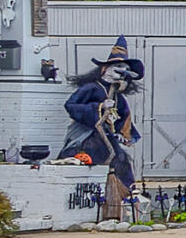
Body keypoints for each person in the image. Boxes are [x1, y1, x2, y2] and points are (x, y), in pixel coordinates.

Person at [61, 44, 143, 219]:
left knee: (120, 158)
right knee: (88, 156)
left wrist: (122, 133)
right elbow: (71, 105)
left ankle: (126, 195)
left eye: (125, 69)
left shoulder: (118, 96)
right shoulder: (91, 88)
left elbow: (123, 116)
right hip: (86, 132)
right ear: (105, 69)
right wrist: (98, 107)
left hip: (106, 134)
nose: (121, 72)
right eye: (118, 67)